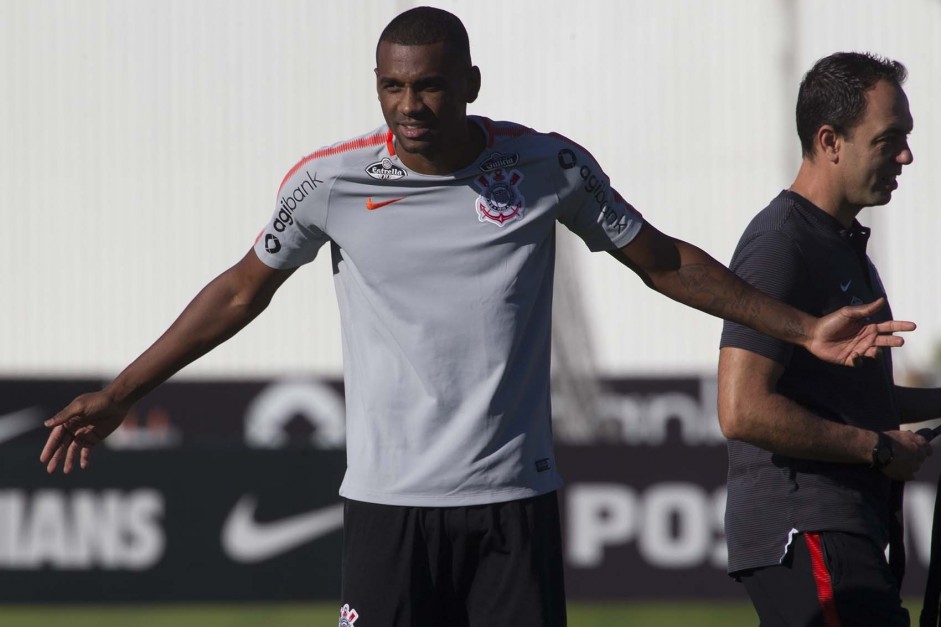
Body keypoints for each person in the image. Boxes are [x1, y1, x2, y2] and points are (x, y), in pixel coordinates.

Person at [41, 10, 912, 627]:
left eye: (428, 88)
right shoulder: (328, 183)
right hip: (387, 509)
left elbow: (661, 259)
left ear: (469, 85)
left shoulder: (545, 167)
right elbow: (239, 290)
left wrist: (799, 329)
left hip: (511, 508)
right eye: (392, 88)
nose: (409, 108)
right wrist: (122, 392)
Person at [717, 52, 936, 626]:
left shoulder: (841, 244)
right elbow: (742, 410)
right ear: (830, 141)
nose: (907, 156)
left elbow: (859, 403)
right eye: (890, 140)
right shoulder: (782, 242)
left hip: (844, 527)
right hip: (804, 527)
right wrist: (877, 448)